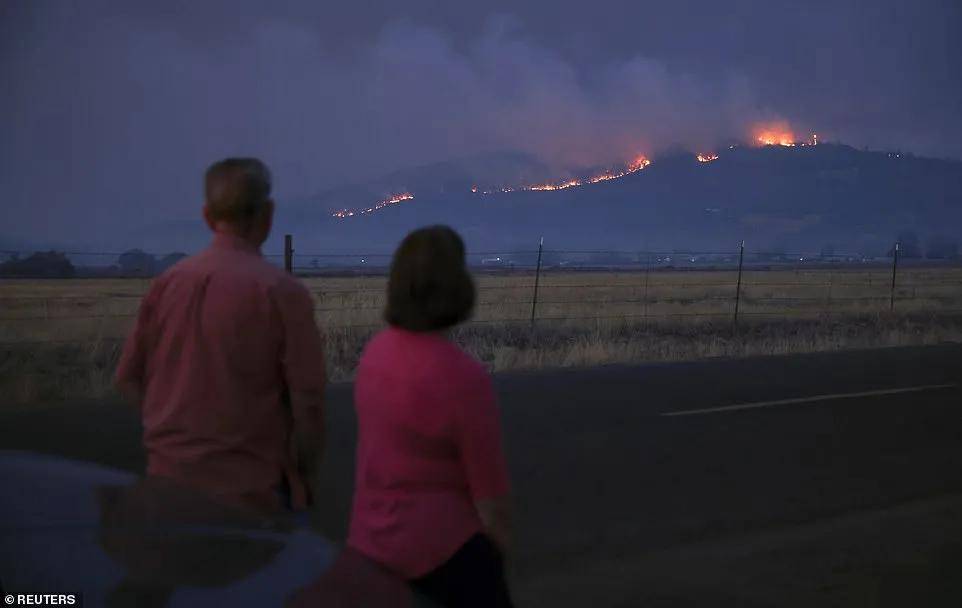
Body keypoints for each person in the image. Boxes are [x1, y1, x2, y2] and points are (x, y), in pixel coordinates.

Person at [114, 157, 326, 513]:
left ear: (207, 217)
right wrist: (299, 471)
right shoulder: (282, 293)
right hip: (253, 498)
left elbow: (127, 379)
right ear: (268, 214)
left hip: (166, 488)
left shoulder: (167, 284)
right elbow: (310, 405)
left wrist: (173, 436)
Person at [348, 225, 514, 607]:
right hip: (441, 553)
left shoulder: (375, 355)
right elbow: (490, 497)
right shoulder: (462, 376)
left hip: (369, 544)